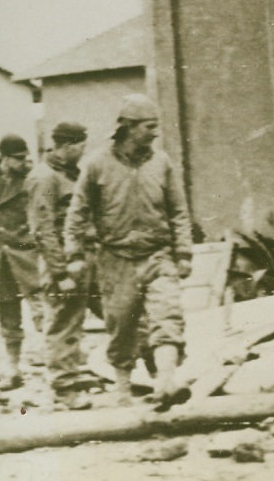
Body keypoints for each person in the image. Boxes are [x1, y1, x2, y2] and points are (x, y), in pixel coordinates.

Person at [64, 95, 194, 406]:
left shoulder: (161, 162)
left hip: (157, 255)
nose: (154, 133)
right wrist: (74, 253)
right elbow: (77, 211)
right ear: (128, 127)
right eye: (150, 126)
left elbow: (178, 211)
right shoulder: (97, 164)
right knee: (121, 324)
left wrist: (185, 253)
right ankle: (122, 390)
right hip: (116, 258)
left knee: (168, 316)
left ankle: (165, 382)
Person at [27, 121, 100, 408]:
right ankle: (64, 389)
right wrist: (59, 273)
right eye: (81, 146)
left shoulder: (71, 173)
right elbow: (43, 229)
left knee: (121, 312)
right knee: (63, 323)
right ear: (67, 146)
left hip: (87, 259)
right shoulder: (44, 179)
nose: (84, 151)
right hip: (64, 266)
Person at [0, 134, 43, 390]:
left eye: (26, 157)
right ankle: (13, 368)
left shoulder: (34, 178)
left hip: (29, 253)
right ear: (4, 158)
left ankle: (61, 367)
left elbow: (46, 205)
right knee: (8, 315)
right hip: (1, 256)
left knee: (45, 311)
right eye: (18, 158)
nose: (25, 162)